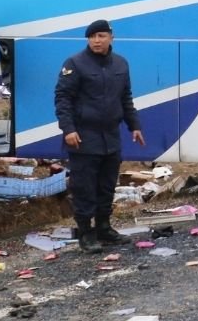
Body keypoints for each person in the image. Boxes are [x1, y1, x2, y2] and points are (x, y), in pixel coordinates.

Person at [55, 20, 146, 253]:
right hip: (83, 137)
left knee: (106, 186)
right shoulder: (75, 63)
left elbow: (125, 98)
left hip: (111, 137)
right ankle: (86, 234)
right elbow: (63, 99)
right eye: (92, 36)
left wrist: (134, 125)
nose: (96, 40)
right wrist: (68, 129)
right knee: (84, 188)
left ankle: (104, 228)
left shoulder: (120, 64)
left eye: (101, 36)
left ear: (111, 38)